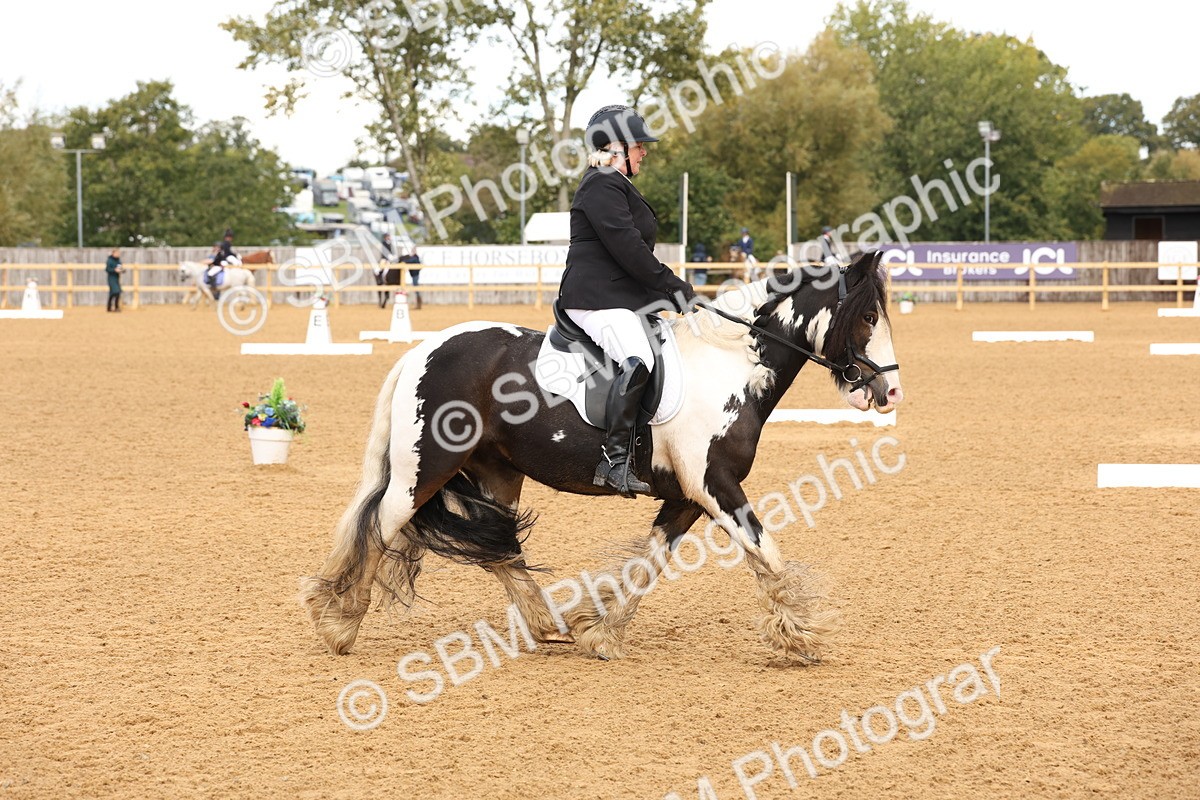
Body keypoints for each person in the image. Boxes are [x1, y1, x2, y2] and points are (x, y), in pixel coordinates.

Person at [558, 104, 696, 497]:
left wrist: (667, 294)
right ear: (616, 148)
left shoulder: (615, 183)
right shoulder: (601, 183)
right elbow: (627, 248)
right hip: (594, 298)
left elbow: (628, 256)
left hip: (615, 296)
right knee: (640, 360)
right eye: (639, 145)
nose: (644, 152)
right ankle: (613, 460)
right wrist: (670, 285)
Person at [205, 228, 237, 298]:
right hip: (220, 264)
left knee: (210, 273)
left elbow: (216, 260)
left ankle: (214, 288)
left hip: (219, 265)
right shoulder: (220, 251)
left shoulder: (220, 252)